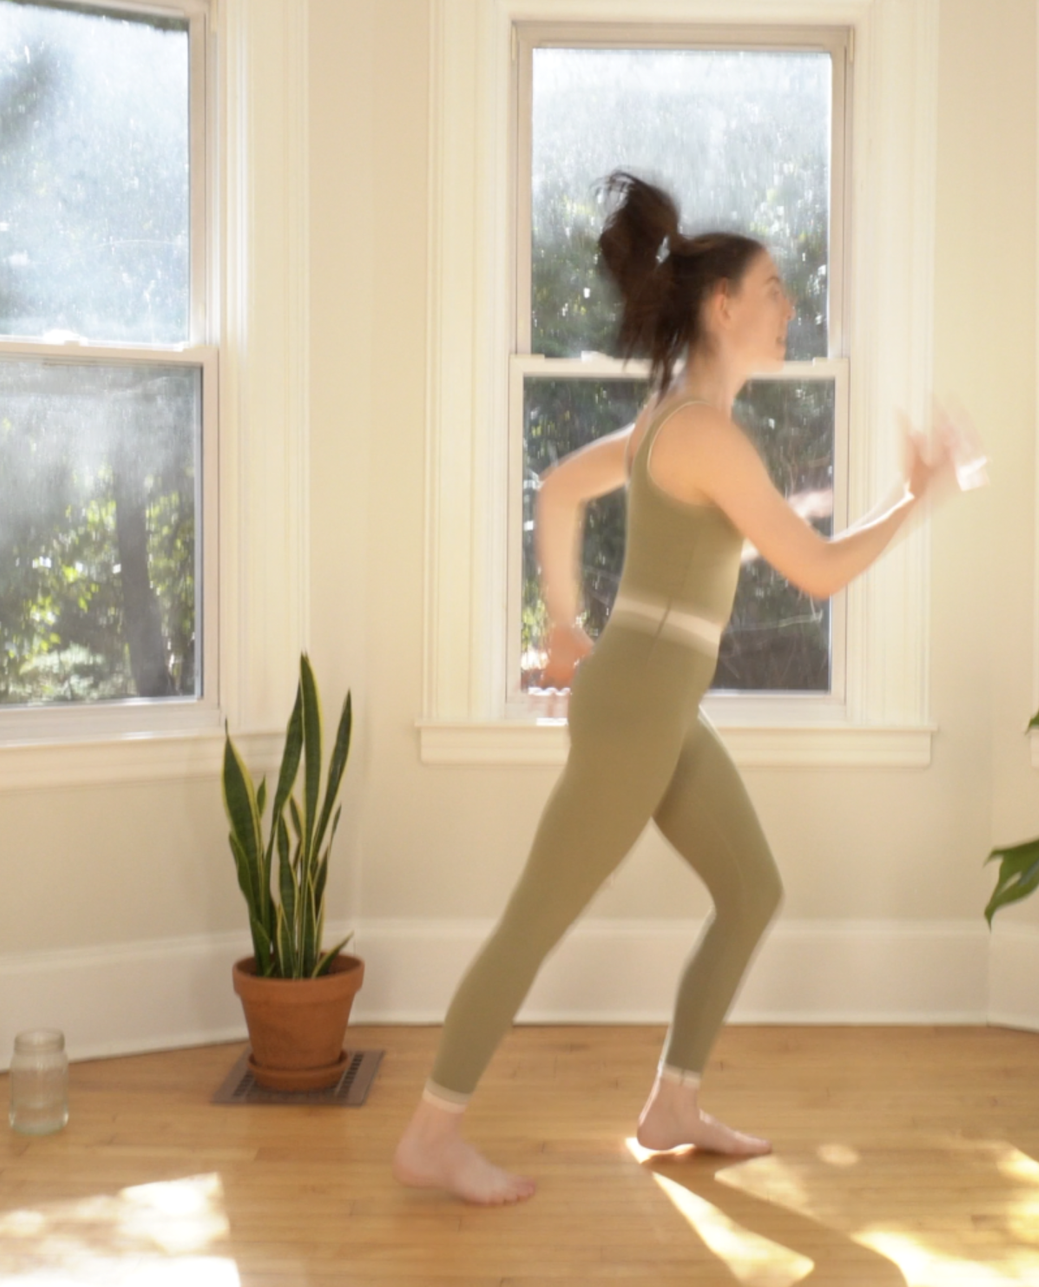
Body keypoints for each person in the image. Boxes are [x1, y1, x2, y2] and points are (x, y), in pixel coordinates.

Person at [391, 172, 966, 1204]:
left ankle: (672, 1105)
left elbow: (559, 486)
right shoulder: (703, 433)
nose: (790, 306)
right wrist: (918, 497)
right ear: (723, 305)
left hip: (652, 698)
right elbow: (820, 570)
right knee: (534, 920)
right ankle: (432, 1131)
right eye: (776, 287)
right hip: (638, 705)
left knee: (751, 889)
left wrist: (567, 625)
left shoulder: (677, 419)